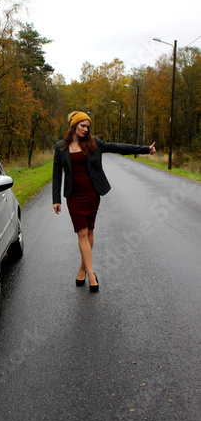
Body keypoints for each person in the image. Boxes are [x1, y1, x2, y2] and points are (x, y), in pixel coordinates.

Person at [52, 111, 156, 293]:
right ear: (74, 125)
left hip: (92, 193)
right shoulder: (61, 146)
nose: (86, 129)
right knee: (81, 232)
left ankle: (82, 269)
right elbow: (56, 174)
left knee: (89, 230)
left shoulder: (94, 143)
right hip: (73, 196)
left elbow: (118, 147)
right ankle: (92, 274)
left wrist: (145, 149)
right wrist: (56, 199)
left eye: (88, 126)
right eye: (83, 125)